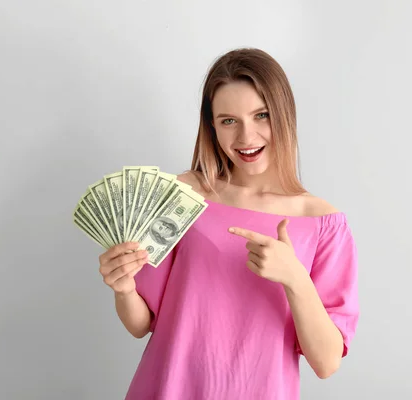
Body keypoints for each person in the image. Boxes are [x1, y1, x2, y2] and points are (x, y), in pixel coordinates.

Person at [98, 47, 360, 400]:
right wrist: (123, 288)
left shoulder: (323, 223)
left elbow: (326, 362)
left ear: (285, 115)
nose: (246, 138)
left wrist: (295, 278)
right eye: (229, 120)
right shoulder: (182, 194)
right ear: (212, 127)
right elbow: (141, 324)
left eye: (261, 115)